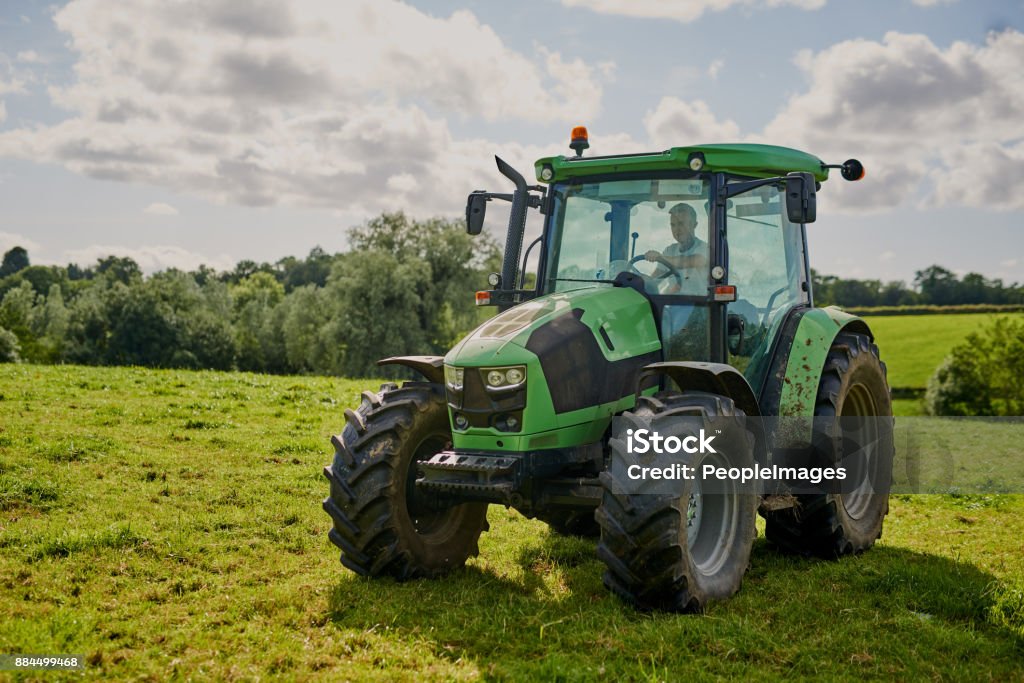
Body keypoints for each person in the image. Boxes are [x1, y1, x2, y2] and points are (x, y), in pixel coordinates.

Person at [644, 202, 708, 294]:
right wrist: (639, 281)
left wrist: (660, 258)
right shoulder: (670, 251)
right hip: (672, 305)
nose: (677, 229)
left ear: (694, 225)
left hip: (699, 305)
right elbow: (655, 280)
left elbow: (686, 262)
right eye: (673, 225)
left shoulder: (705, 249)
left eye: (681, 224)